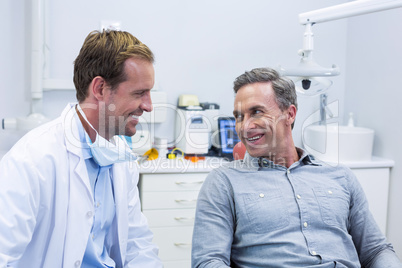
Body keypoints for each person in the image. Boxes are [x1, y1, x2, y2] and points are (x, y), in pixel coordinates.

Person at [191, 67, 402, 268]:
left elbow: (376, 250)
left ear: (290, 114)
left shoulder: (340, 176)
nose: (244, 126)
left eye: (256, 112)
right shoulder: (224, 182)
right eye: (239, 116)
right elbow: (208, 261)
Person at [0, 30, 163, 267]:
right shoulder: (31, 160)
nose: (148, 106)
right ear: (99, 89)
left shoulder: (120, 158)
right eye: (139, 93)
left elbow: (137, 244)